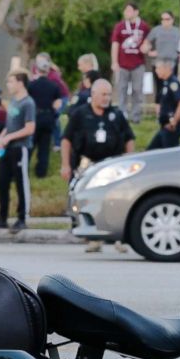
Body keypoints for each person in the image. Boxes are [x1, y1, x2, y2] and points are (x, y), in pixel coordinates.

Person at [60, 78, 134, 253]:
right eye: (103, 94)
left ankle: (119, 238)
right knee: (88, 201)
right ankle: (93, 238)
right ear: (93, 94)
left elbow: (129, 138)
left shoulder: (116, 115)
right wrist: (65, 164)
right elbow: (66, 139)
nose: (106, 98)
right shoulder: (79, 114)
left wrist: (129, 162)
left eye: (109, 94)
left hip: (112, 166)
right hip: (87, 165)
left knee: (117, 201)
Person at [0, 70, 37, 233]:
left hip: (21, 148)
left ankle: (22, 218)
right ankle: (2, 217)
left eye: (11, 82)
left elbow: (30, 128)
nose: (8, 85)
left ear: (20, 83)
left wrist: (10, 137)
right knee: (2, 182)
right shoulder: (13, 101)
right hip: (8, 148)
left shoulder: (28, 103)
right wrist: (2, 137)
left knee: (21, 183)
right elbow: (9, 124)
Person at [110, 1, 150, 124]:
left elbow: (149, 42)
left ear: (136, 12)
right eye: (125, 10)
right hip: (122, 64)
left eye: (129, 10)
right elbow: (115, 44)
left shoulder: (144, 26)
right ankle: (121, 115)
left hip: (138, 64)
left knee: (137, 90)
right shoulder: (120, 26)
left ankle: (136, 116)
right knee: (121, 90)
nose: (126, 13)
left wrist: (147, 47)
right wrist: (114, 61)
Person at [27, 54, 63, 178]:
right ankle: (41, 172)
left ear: (36, 69)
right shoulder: (54, 86)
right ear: (48, 70)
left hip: (34, 118)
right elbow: (58, 104)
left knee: (30, 144)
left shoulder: (31, 85)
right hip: (48, 118)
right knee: (44, 147)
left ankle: (23, 167)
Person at [147, 60, 180, 150]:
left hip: (171, 128)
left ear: (167, 68)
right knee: (151, 151)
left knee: (169, 154)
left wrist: (174, 121)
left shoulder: (173, 83)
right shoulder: (165, 83)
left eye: (158, 68)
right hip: (164, 127)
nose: (156, 71)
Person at [144, 11, 180, 76]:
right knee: (159, 85)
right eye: (163, 19)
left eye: (167, 19)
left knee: (172, 84)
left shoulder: (177, 31)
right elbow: (146, 42)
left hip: (172, 62)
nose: (164, 21)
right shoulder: (156, 30)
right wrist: (149, 51)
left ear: (172, 19)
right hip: (159, 61)